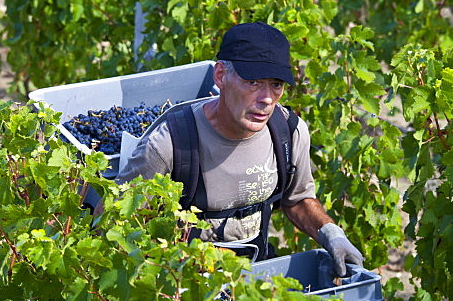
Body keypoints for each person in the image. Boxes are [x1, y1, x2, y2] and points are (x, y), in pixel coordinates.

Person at [115, 21, 364, 276]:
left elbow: (297, 199)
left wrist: (332, 234)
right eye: (253, 82)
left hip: (253, 273)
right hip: (185, 285)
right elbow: (115, 222)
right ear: (221, 75)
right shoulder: (170, 144)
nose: (267, 98)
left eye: (276, 84)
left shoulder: (288, 131)